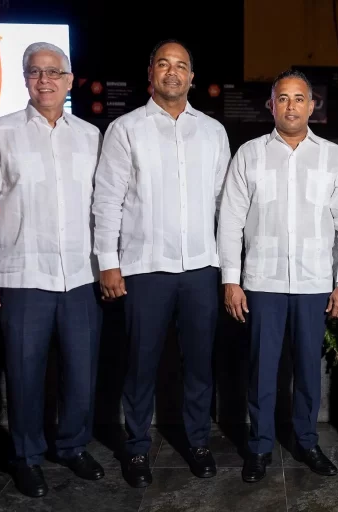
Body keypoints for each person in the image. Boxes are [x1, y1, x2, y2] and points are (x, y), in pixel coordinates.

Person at [0, 42, 104, 498]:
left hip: (81, 276)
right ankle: (26, 456)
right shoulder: (0, 133)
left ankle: (72, 445)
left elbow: (105, 208)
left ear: (69, 80)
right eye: (35, 72)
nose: (44, 80)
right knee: (24, 374)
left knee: (81, 374)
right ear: (25, 79)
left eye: (53, 72)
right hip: (22, 277)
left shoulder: (91, 136)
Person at [92, 39, 230, 488]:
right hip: (144, 267)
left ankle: (198, 442)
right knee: (140, 363)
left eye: (181, 65)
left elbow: (223, 204)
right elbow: (107, 200)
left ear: (192, 77)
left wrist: (228, 267)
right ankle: (136, 447)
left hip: (201, 268)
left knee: (199, 364)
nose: (173, 72)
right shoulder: (125, 129)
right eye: (164, 64)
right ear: (150, 72)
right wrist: (108, 261)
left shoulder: (213, 132)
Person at [217, 69, 338, 483]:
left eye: (299, 98)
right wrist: (231, 279)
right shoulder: (249, 154)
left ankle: (306, 441)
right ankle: (259, 446)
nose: (291, 106)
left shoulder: (333, 157)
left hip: (314, 284)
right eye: (283, 98)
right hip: (261, 283)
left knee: (307, 371)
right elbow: (230, 222)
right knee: (262, 370)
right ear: (271, 105)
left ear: (312, 105)